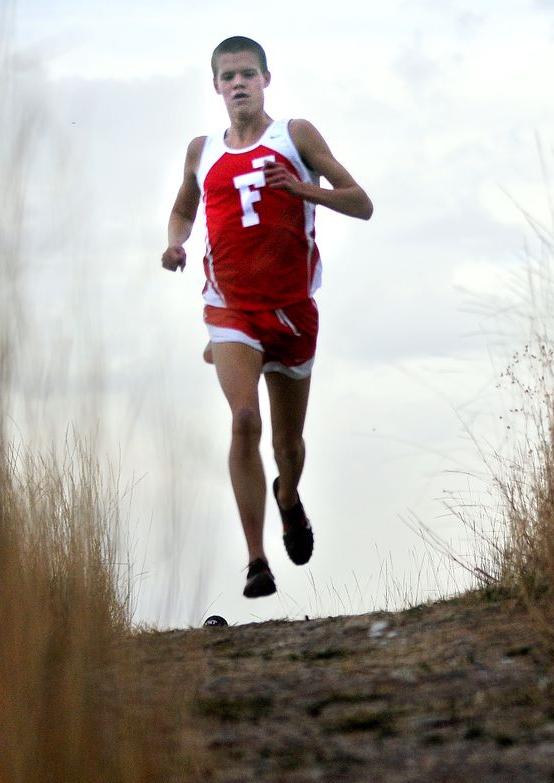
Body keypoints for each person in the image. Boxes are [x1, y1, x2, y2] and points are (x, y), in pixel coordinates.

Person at [161, 36, 373, 598]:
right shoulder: (202, 150)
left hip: (293, 309)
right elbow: (183, 208)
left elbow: (362, 203)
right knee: (243, 421)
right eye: (228, 76)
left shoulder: (294, 136)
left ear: (265, 80)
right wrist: (176, 242)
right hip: (230, 307)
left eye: (247, 74)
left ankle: (287, 495)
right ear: (215, 86)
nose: (238, 84)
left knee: (288, 447)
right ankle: (257, 560)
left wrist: (303, 189)